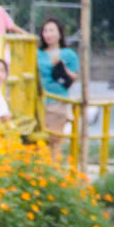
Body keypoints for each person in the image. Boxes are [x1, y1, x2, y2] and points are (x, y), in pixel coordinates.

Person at [37, 18, 79, 162]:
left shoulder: (68, 54)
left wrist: (61, 67)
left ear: (59, 33)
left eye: (51, 30)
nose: (48, 34)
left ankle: (53, 169)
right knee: (36, 138)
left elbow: (73, 78)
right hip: (38, 101)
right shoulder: (38, 53)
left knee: (54, 139)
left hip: (57, 101)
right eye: (45, 31)